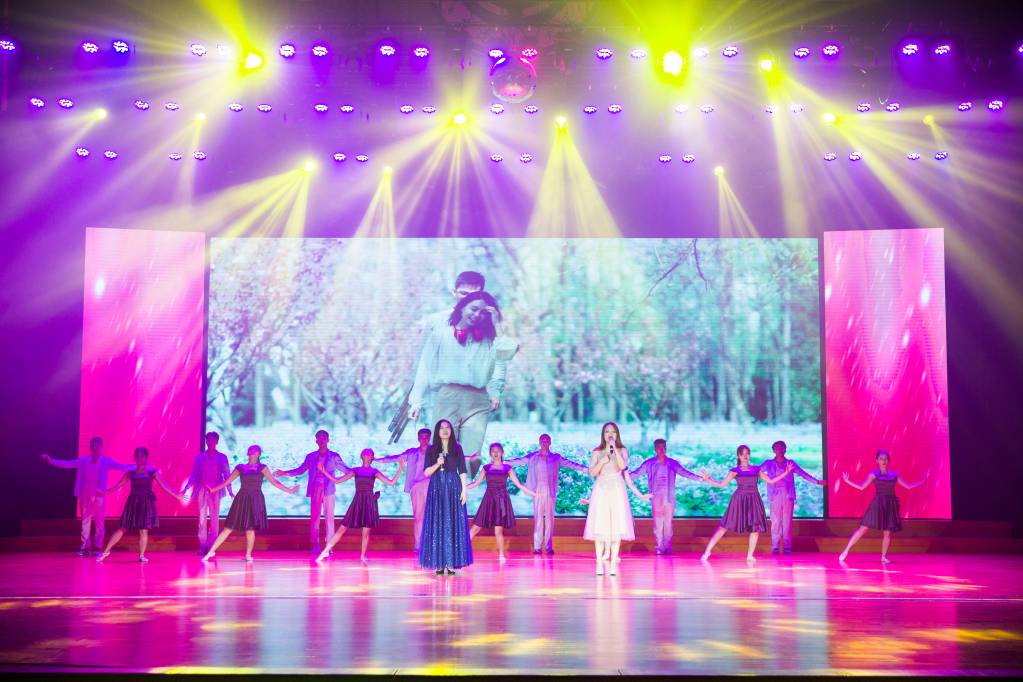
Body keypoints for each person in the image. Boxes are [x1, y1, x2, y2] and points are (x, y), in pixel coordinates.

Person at [408, 291, 518, 478]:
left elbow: (505, 355)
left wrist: (496, 324)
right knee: (442, 454)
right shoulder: (441, 335)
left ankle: (462, 488)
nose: (477, 315)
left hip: (478, 400)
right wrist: (416, 401)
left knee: (472, 458)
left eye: (483, 313)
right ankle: (445, 492)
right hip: (448, 397)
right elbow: (425, 367)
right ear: (462, 307)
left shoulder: (489, 340)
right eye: (473, 309)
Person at [388, 271, 487, 446]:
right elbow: (424, 360)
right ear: (454, 292)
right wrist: (416, 398)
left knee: (468, 450)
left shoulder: (487, 324)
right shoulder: (436, 321)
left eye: (474, 295)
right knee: (440, 447)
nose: (468, 299)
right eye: (464, 293)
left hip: (473, 396)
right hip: (438, 394)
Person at [203, 445, 300, 562]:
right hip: (242, 499)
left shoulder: (262, 467)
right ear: (248, 453)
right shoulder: (240, 467)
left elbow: (274, 482)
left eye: (255, 451)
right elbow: (227, 481)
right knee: (228, 528)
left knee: (250, 529)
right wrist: (213, 490)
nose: (252, 453)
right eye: (250, 450)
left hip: (255, 499)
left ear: (259, 454)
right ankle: (211, 552)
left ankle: (248, 555)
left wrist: (290, 490)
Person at [699, 445, 793, 563]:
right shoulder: (734, 471)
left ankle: (749, 556)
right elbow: (721, 485)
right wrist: (708, 479)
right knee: (723, 527)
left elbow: (771, 480)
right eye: (742, 454)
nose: (745, 456)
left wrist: (786, 472)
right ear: (738, 456)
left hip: (754, 500)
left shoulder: (756, 469)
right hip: (739, 500)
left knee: (755, 528)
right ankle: (707, 551)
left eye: (747, 453)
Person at [41, 436, 133, 556]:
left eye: (97, 445)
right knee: (85, 520)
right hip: (85, 494)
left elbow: (122, 467)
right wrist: (51, 461)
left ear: (101, 447)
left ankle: (98, 547)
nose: (95, 447)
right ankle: (85, 547)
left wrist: (139, 466)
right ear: (90, 447)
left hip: (99, 495)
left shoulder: (106, 461)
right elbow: (67, 464)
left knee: (99, 521)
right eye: (93, 445)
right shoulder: (83, 461)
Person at [583, 422, 652, 576]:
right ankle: (599, 563)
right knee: (600, 528)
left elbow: (623, 468)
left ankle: (613, 563)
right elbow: (592, 473)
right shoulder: (596, 452)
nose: (610, 434)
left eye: (613, 432)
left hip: (617, 489)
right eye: (607, 431)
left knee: (616, 528)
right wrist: (603, 460)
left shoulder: (623, 450)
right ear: (603, 434)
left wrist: (640, 495)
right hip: (601, 489)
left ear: (617, 434)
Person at [95, 447, 186, 562]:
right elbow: (117, 486)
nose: (139, 458)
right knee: (122, 527)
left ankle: (141, 555)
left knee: (143, 530)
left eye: (142, 456)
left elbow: (164, 486)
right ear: (135, 458)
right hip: (133, 503)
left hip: (146, 503)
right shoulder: (130, 473)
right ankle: (105, 552)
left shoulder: (152, 472)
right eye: (137, 456)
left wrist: (176, 495)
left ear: (146, 458)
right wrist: (104, 492)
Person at [315, 449, 404, 562]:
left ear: (372, 457)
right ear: (362, 456)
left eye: (369, 454)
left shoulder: (374, 472)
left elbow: (391, 482)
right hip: (357, 501)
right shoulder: (356, 470)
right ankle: (325, 551)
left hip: (369, 502)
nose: (367, 455)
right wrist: (324, 471)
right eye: (365, 453)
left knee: (365, 532)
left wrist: (400, 469)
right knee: (342, 528)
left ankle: (362, 556)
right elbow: (337, 481)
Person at [505, 434, 587, 554]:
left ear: (550, 443)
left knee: (549, 519)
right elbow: (518, 461)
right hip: (538, 489)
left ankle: (548, 546)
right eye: (542, 441)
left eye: (546, 441)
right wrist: (501, 461)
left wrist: (586, 469)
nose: (544, 443)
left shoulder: (556, 457)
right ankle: (537, 546)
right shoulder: (533, 457)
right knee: (538, 518)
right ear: (539, 442)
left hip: (550, 490)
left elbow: (571, 464)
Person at [838, 449, 925, 563]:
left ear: (888, 461)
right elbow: (862, 487)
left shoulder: (894, 474)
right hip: (878, 504)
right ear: (877, 460)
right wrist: (848, 481)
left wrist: (922, 481)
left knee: (887, 533)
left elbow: (908, 486)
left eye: (885, 459)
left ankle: (883, 557)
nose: (883, 461)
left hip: (890, 504)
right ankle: (846, 550)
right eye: (881, 459)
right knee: (863, 529)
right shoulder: (874, 474)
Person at [274, 430, 349, 554]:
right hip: (315, 489)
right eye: (319, 438)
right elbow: (300, 470)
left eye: (323, 438)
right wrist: (285, 472)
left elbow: (347, 470)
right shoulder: (311, 456)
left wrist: (360, 471)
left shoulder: (334, 456)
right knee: (315, 517)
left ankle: (329, 545)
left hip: (329, 489)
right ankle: (315, 544)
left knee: (329, 518)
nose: (321, 440)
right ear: (316, 441)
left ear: (328, 440)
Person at [629, 438, 701, 555]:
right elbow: (636, 474)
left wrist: (701, 478)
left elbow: (685, 473)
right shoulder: (649, 463)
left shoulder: (672, 463)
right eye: (659, 448)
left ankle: (667, 546)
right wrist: (620, 476)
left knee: (668, 523)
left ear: (666, 448)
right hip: (656, 497)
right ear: (655, 449)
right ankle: (659, 546)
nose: (662, 450)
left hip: (669, 497)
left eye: (664, 447)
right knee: (658, 523)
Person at [418, 419, 473, 574]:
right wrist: (437, 463)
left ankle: (451, 562)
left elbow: (462, 470)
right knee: (438, 522)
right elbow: (426, 472)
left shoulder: (457, 448)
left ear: (451, 430)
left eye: (447, 427)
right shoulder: (431, 449)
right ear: (437, 431)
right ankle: (439, 563)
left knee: (453, 522)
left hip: (453, 486)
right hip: (436, 487)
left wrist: (464, 490)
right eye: (441, 428)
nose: (444, 430)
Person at [467, 442, 535, 562]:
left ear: (502, 452)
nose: (495, 453)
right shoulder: (486, 468)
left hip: (501, 501)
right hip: (488, 500)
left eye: (498, 451)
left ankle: (501, 555)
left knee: (498, 530)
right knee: (475, 528)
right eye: (493, 451)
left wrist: (534, 494)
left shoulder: (507, 468)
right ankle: (462, 551)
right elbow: (475, 483)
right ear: (490, 453)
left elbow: (519, 485)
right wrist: (461, 488)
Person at [759, 440, 826, 555]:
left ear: (785, 450)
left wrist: (817, 482)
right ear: (774, 450)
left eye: (782, 448)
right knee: (775, 522)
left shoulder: (790, 463)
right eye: (777, 448)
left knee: (787, 522)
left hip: (788, 495)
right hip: (775, 495)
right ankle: (775, 547)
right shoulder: (768, 463)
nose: (780, 450)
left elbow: (803, 474)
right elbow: (756, 471)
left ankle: (787, 547)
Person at [374, 428, 432, 552]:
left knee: (433, 516)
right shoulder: (412, 453)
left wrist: (469, 458)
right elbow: (395, 458)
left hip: (433, 487)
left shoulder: (436, 452)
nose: (424, 439)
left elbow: (453, 457)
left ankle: (432, 545)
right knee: (419, 516)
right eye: (422, 437)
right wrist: (378, 459)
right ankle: (418, 545)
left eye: (427, 437)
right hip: (417, 487)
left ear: (430, 438)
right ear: (418, 439)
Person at [181, 431, 234, 555]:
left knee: (214, 518)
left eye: (213, 440)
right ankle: (203, 544)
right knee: (202, 518)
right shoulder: (200, 457)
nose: (210, 442)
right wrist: (186, 488)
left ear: (217, 442)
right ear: (206, 441)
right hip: (202, 490)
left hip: (216, 491)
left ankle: (212, 545)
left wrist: (230, 491)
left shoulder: (222, 457)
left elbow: (227, 475)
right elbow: (194, 474)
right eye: (208, 440)